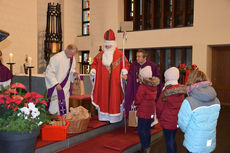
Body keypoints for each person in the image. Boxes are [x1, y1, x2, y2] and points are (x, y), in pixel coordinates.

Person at [90, 29, 130, 123]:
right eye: (106, 45)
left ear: (113, 44)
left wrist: (125, 70)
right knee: (103, 98)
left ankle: (115, 118)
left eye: (109, 45)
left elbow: (127, 65)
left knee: (114, 99)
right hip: (103, 84)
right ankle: (104, 117)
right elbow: (94, 63)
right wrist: (93, 70)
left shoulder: (120, 55)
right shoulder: (100, 55)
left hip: (115, 84)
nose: (107, 46)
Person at [178, 70, 221, 153]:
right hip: (209, 141)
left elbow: (182, 124)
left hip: (194, 143)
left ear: (190, 80)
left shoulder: (189, 101)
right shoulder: (217, 101)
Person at [156, 67, 185, 153]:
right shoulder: (181, 90)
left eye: (165, 77)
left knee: (169, 140)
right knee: (172, 138)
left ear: (169, 78)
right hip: (177, 119)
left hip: (167, 120)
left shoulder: (166, 90)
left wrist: (158, 115)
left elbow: (159, 106)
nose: (164, 79)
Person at [125, 49, 161, 117]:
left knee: (146, 111)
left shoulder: (152, 66)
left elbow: (156, 79)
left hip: (148, 93)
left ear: (145, 58)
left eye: (139, 57)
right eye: (136, 56)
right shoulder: (133, 65)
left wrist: (146, 80)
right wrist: (127, 78)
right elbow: (130, 76)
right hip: (136, 90)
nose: (137, 58)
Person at [45, 44, 78, 115]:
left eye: (72, 55)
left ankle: (63, 122)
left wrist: (74, 73)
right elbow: (49, 73)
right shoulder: (56, 58)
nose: (71, 56)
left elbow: (71, 70)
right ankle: (53, 120)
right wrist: (56, 84)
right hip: (56, 87)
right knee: (55, 106)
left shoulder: (72, 58)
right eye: (70, 54)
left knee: (64, 106)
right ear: (66, 49)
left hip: (65, 87)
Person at [134, 66, 160, 153]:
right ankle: (147, 147)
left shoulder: (143, 87)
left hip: (143, 111)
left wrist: (134, 102)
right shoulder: (154, 86)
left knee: (141, 130)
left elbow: (138, 99)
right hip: (151, 110)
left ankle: (144, 147)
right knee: (147, 129)